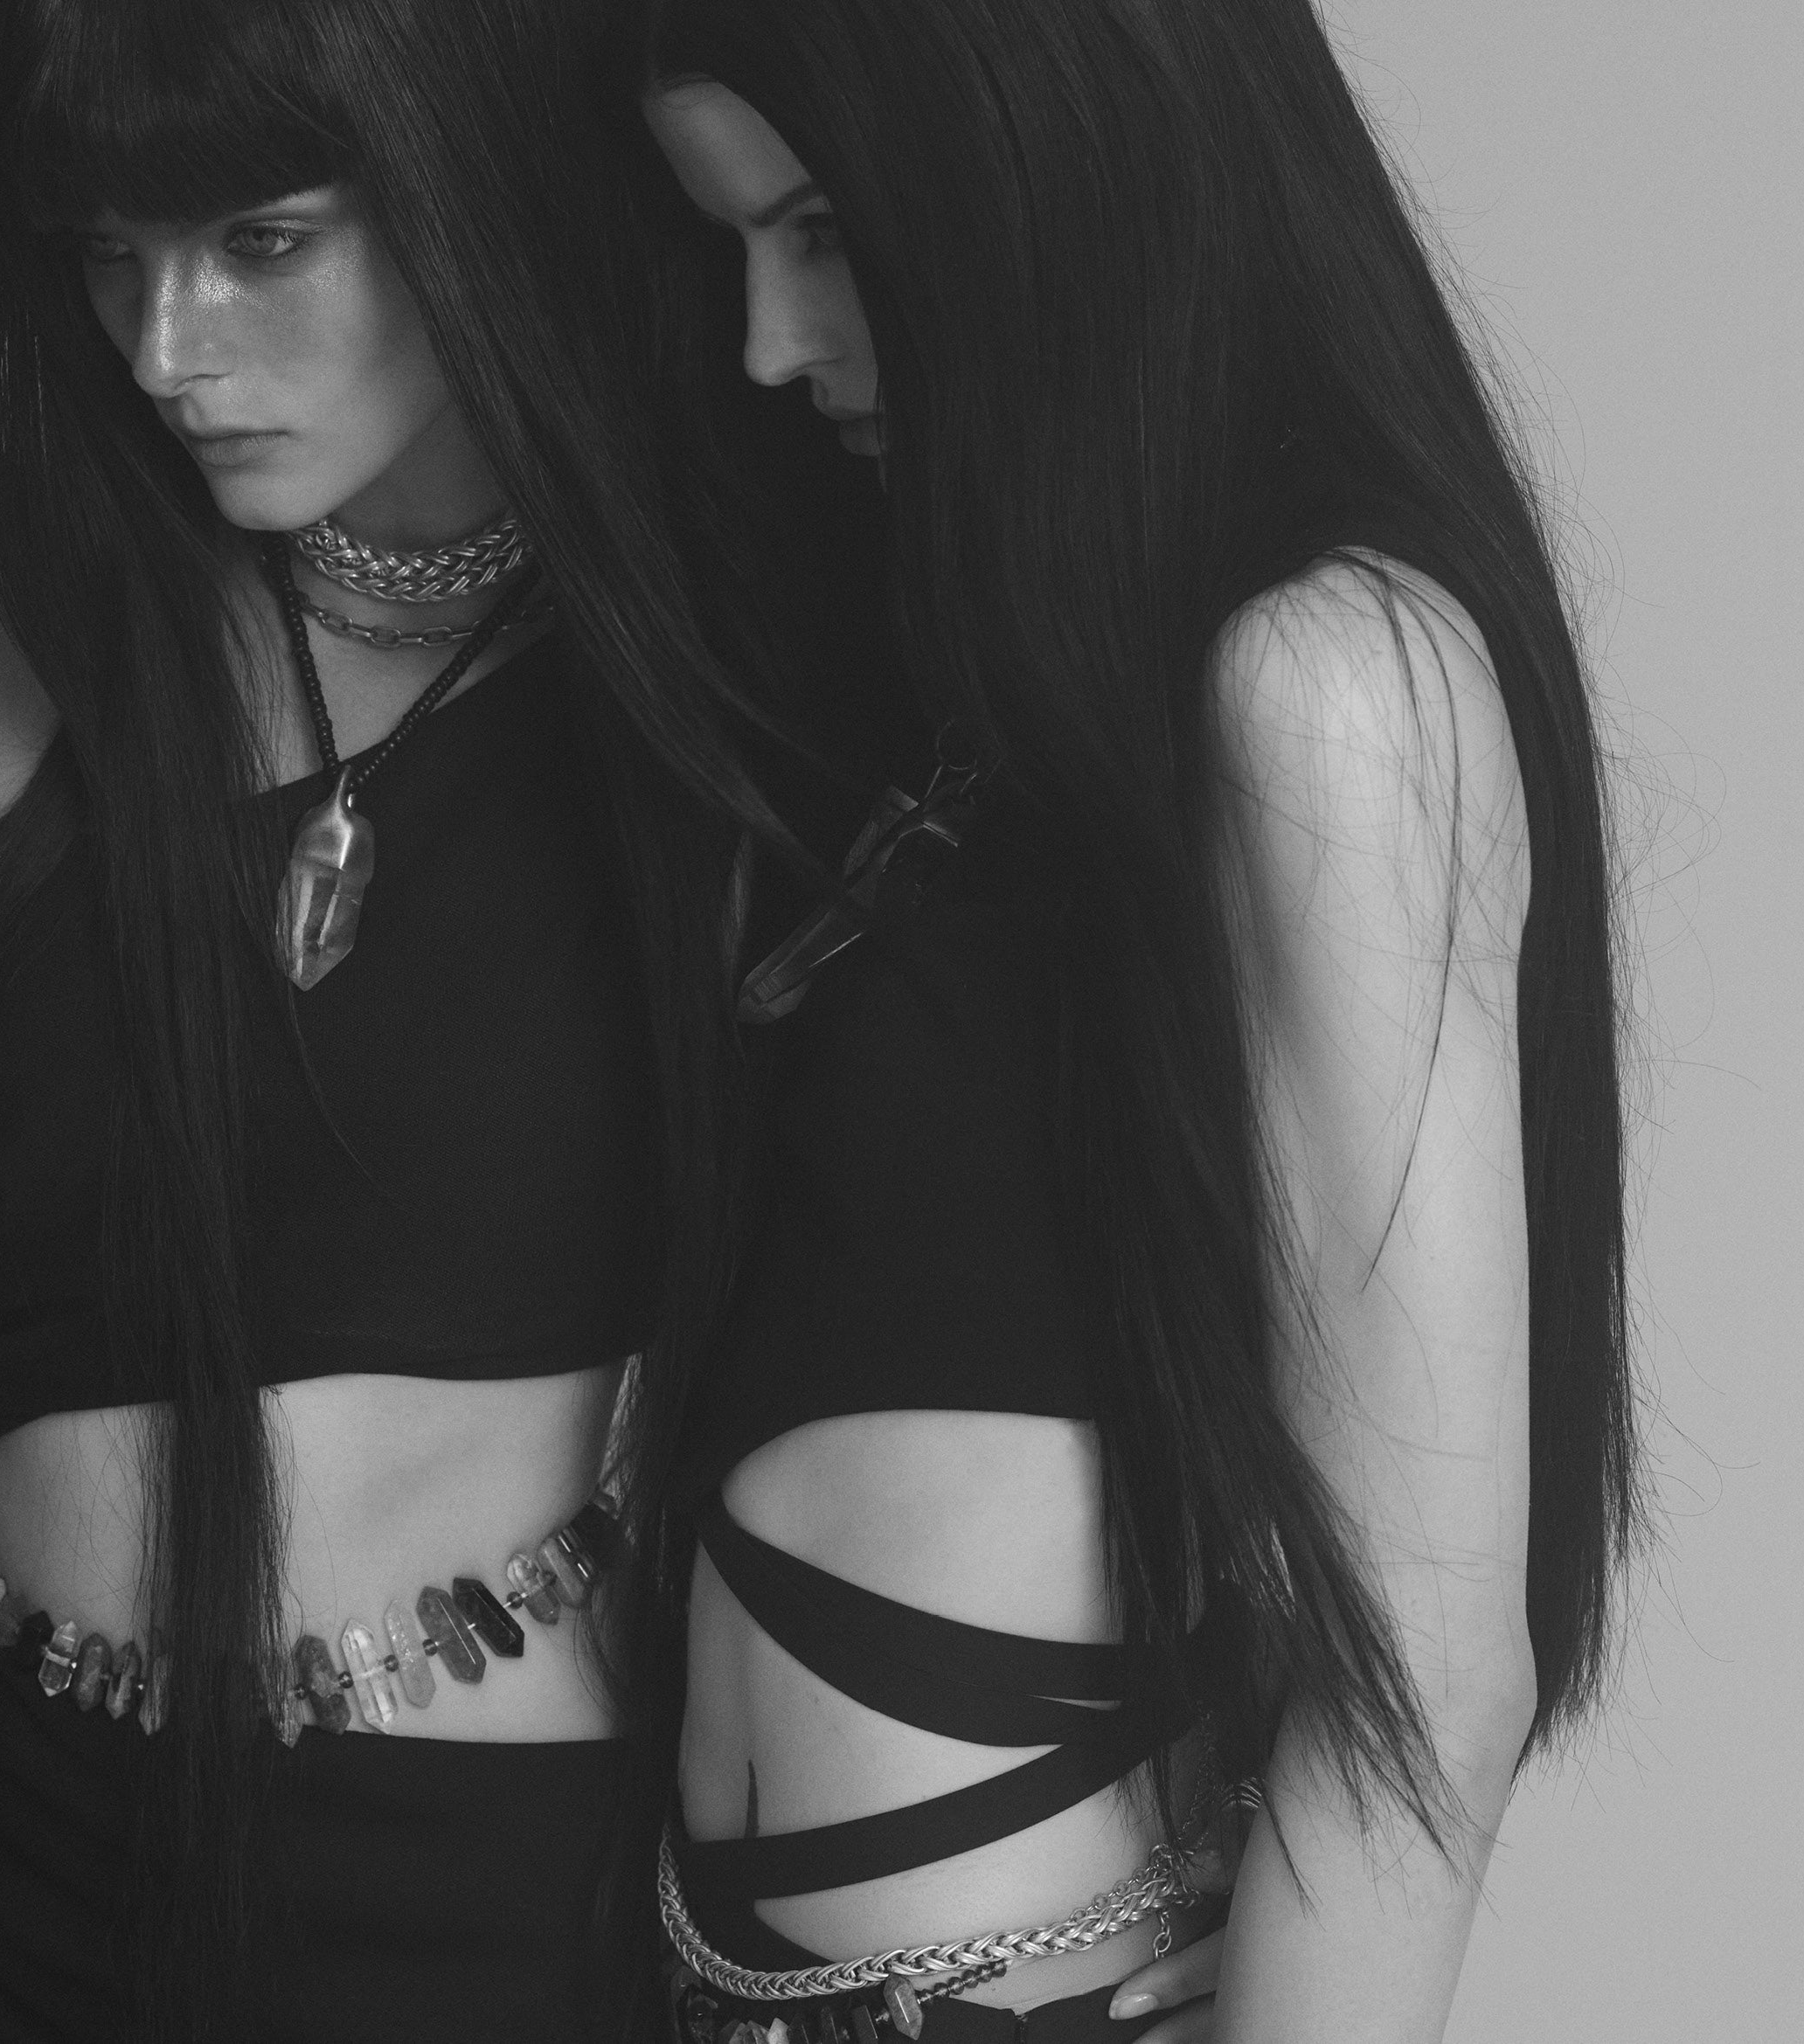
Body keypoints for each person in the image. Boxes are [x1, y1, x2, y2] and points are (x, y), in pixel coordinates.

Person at [631, 0, 1640, 2037]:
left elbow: (1433, 1677)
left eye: (823, 233)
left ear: (1056, 167)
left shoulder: (1330, 679)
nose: (768, 342)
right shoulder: (976, 663)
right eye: (733, 243)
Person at [0, 1, 775, 2036]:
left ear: (474, 187)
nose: (162, 348)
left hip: (482, 1899)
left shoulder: (721, 684)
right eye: (103, 253)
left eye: (262, 240)